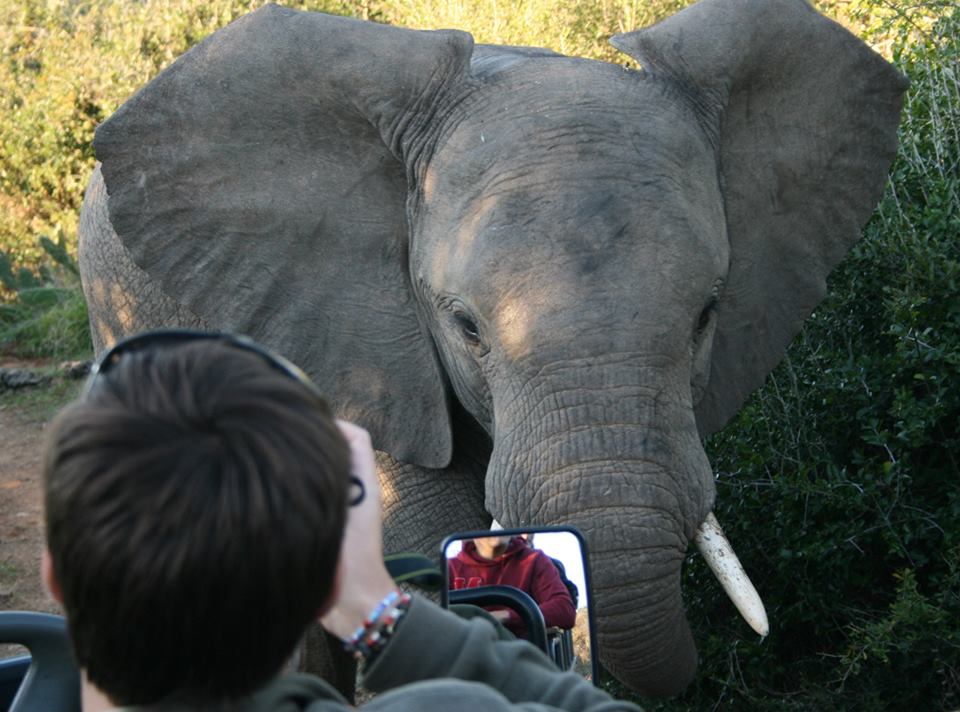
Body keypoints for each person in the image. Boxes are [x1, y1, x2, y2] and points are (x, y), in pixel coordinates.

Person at [41, 330, 642, 712]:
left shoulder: (533, 562)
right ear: (311, 595)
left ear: (55, 577)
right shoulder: (441, 705)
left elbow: (558, 610)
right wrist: (375, 609)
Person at [449, 534, 576, 638]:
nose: (495, 531)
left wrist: (505, 616)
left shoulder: (534, 560)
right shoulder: (449, 567)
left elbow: (565, 610)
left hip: (521, 656)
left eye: (499, 524)